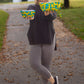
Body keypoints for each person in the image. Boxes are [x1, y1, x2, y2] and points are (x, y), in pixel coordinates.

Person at [26, 0, 59, 84]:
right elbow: (30, 14)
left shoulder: (51, 7)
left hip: (48, 38)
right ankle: (53, 80)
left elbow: (52, 17)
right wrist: (29, 15)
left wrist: (47, 13)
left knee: (46, 65)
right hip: (35, 39)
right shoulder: (31, 7)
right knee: (34, 63)